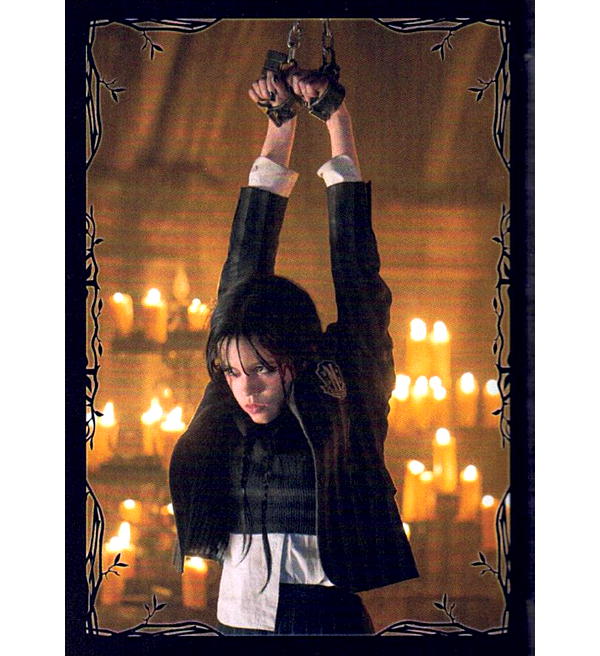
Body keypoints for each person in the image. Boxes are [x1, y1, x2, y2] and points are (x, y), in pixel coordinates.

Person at [169, 65, 418, 636]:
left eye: (261, 369)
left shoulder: (343, 393)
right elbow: (243, 260)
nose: (246, 387)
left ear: (295, 359)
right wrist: (279, 125)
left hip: (324, 619)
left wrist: (336, 118)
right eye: (233, 372)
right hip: (236, 622)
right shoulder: (229, 396)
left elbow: (358, 276)